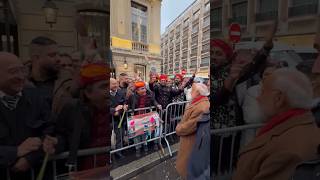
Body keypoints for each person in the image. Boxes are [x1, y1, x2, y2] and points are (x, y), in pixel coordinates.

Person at [233, 68, 320, 180]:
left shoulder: (287, 150)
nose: (258, 98)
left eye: (263, 91)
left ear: (278, 98)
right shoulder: (299, 126)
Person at [0, 52, 53, 180]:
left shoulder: (36, 98)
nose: (20, 76)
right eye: (13, 71)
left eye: (22, 70)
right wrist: (15, 152)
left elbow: (52, 132)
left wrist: (31, 158)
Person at [53, 63, 110, 170]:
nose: (109, 91)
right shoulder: (73, 110)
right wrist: (55, 143)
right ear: (88, 93)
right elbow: (62, 137)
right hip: (83, 171)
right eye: (104, 86)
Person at [175, 83, 210, 179]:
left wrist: (178, 128)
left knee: (187, 169)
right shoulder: (196, 102)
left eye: (192, 89)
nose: (190, 91)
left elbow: (189, 126)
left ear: (198, 92)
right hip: (189, 141)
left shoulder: (202, 107)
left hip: (191, 143)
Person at [126, 81, 161, 157]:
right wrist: (126, 107)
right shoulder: (132, 96)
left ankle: (145, 145)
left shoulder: (149, 95)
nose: (144, 90)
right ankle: (138, 148)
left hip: (145, 118)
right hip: (136, 118)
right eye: (142, 89)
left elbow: (153, 101)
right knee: (136, 134)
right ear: (137, 90)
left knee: (145, 132)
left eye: (144, 88)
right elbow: (128, 104)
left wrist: (157, 105)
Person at [27, 36, 60, 109]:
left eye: (58, 54)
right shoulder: (21, 82)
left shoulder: (65, 80)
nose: (58, 59)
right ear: (36, 58)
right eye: (52, 55)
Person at [110, 78, 127, 159]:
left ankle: (118, 152)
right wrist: (114, 110)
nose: (116, 85)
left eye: (116, 83)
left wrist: (125, 106)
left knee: (120, 136)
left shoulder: (120, 92)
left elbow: (124, 102)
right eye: (113, 84)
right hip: (108, 120)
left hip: (119, 119)